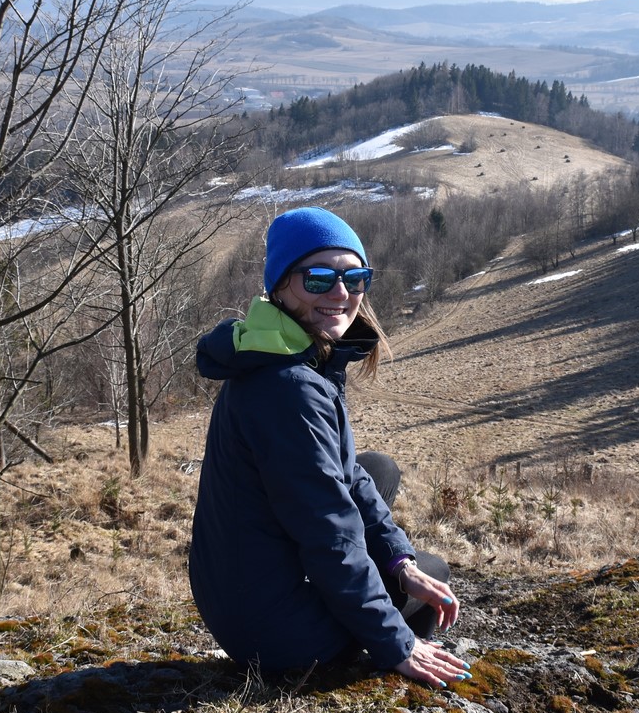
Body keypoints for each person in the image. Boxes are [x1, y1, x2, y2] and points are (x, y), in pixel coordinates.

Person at [189, 206, 469, 686]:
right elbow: (328, 530)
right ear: (279, 287)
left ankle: (383, 600)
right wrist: (394, 642)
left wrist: (398, 562)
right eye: (318, 278)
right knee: (435, 571)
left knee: (377, 470)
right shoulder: (290, 388)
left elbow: (348, 476)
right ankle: (388, 655)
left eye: (355, 278)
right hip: (276, 632)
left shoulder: (279, 351)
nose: (341, 293)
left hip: (240, 593)